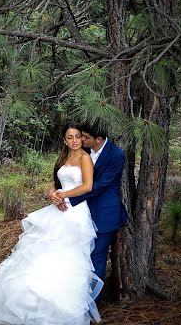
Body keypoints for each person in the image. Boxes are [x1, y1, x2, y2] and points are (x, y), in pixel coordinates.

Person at [0, 122, 103, 325]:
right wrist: (52, 193)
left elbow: (88, 186)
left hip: (74, 213)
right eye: (70, 137)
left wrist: (64, 196)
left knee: (67, 258)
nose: (74, 140)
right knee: (41, 256)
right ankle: (28, 307)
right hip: (57, 210)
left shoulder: (84, 158)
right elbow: (55, 183)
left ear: (82, 139)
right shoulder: (63, 158)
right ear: (64, 140)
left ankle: (58, 310)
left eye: (77, 137)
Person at [50, 122, 127, 285]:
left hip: (103, 213)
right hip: (76, 213)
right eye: (76, 136)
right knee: (69, 255)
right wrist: (54, 194)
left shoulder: (116, 155)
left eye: (84, 137)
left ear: (98, 139)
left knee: (95, 260)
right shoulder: (82, 149)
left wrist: (66, 197)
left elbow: (97, 186)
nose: (79, 140)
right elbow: (60, 179)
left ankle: (89, 303)